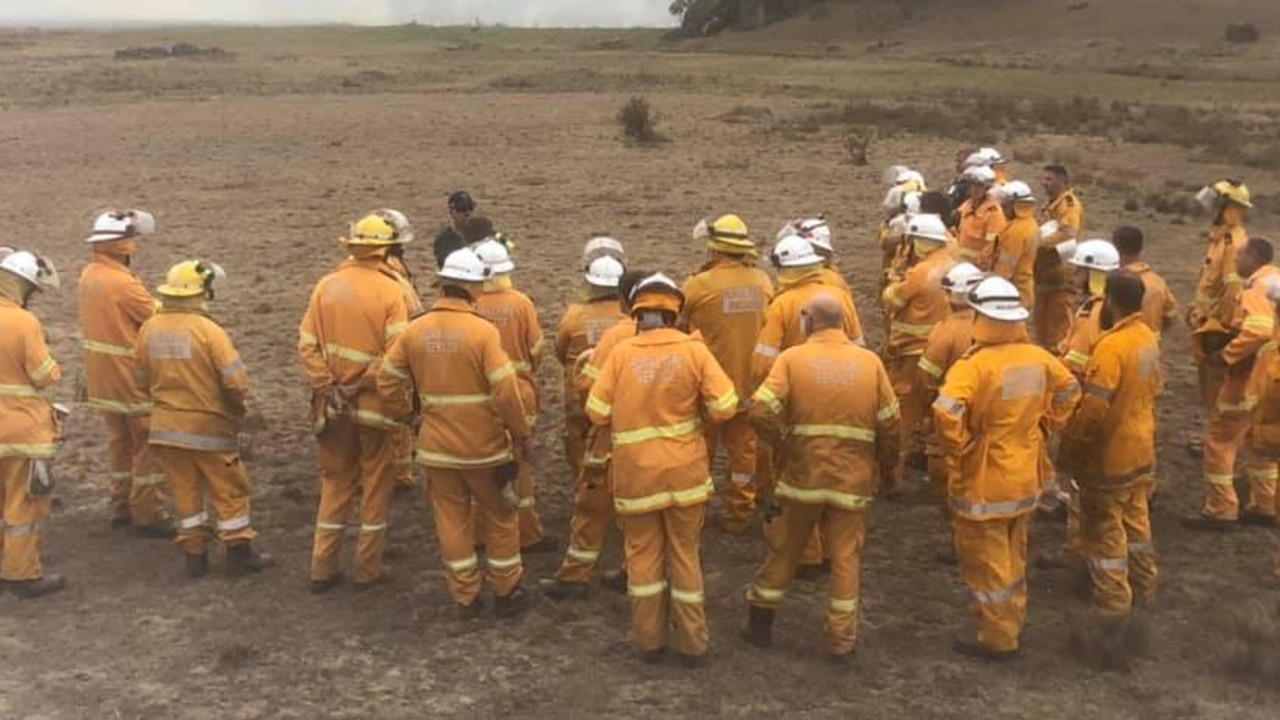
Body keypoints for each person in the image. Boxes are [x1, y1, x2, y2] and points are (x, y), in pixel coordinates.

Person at [585, 273, 738, 665]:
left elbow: (596, 412)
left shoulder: (621, 353)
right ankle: (693, 643)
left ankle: (649, 641)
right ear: (674, 313)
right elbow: (725, 406)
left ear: (636, 312)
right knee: (685, 555)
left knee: (642, 558)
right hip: (685, 475)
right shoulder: (695, 351)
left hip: (636, 478)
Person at [742, 294, 900, 663]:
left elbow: (761, 409)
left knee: (785, 549)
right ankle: (842, 641)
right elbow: (891, 423)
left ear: (808, 321)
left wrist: (781, 442)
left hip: (803, 476)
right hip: (853, 479)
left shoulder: (792, 359)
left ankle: (760, 623)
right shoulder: (870, 363)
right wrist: (888, 467)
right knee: (846, 559)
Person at [378, 248, 534, 618]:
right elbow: (506, 391)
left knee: (451, 522)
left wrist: (407, 416)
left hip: (435, 448)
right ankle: (506, 590)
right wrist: (521, 433)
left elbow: (386, 379)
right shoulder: (482, 332)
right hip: (484, 448)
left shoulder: (416, 329)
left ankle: (465, 596)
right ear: (470, 287)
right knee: (499, 516)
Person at [934, 276, 1079, 661]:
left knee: (987, 560)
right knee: (1014, 553)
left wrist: (962, 446)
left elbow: (945, 411)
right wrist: (1048, 424)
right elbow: (1069, 390)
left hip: (985, 479)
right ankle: (1008, 618)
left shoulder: (975, 365)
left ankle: (998, 637)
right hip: (1026, 473)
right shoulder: (1039, 357)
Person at [137, 260, 272, 578]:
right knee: (229, 489)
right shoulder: (209, 331)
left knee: (184, 493)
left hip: (166, 429)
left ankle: (194, 557)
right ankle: (238, 552)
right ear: (202, 292)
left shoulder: (149, 329)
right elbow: (236, 382)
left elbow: (141, 378)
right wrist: (242, 412)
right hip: (209, 428)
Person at [298, 213, 411, 592]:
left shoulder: (325, 286)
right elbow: (398, 353)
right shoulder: (393, 291)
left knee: (335, 485)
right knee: (376, 487)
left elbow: (307, 345)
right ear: (384, 250)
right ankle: (367, 569)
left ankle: (321, 568)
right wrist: (360, 383)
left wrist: (330, 385)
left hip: (331, 408)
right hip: (374, 408)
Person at [1058, 272, 1160, 670]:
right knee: (1137, 521)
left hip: (1109, 456)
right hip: (1141, 450)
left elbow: (1094, 410)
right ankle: (1145, 585)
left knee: (1105, 531)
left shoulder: (1111, 348)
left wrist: (1070, 448)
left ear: (1112, 301)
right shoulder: (1148, 338)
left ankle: (1113, 606)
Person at [754, 235, 864, 575]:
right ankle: (833, 549)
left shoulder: (782, 305)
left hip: (796, 401)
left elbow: (763, 361)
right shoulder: (839, 297)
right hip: (842, 398)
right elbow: (861, 346)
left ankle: (809, 554)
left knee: (798, 479)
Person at [542, 270, 648, 600]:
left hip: (611, 438)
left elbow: (588, 386)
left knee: (590, 508)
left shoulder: (616, 336)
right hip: (652, 440)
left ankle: (575, 575)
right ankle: (635, 571)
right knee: (640, 513)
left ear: (623, 299)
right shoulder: (677, 335)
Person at [78, 209, 172, 536]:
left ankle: (120, 507)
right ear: (122, 245)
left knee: (118, 442)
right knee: (146, 442)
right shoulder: (122, 283)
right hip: (129, 376)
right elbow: (157, 316)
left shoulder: (89, 274)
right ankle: (148, 513)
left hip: (100, 377)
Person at [681, 214, 775, 534]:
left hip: (707, 390)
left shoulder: (697, 285)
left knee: (699, 454)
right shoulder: (763, 281)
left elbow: (678, 328)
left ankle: (696, 512)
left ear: (715, 250)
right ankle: (739, 513)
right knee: (743, 456)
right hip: (750, 386)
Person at [1185, 236, 1279, 531]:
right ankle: (1265, 505)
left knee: (1220, 440)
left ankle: (1221, 508)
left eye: (1241, 255)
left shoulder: (1256, 288)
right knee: (1257, 442)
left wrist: (1225, 356)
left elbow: (1259, 331)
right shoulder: (1274, 281)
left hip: (1250, 380)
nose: (1236, 260)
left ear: (1254, 256)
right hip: (1270, 381)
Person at [472, 238, 557, 554]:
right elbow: (536, 350)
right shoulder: (521, 303)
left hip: (478, 398)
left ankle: (479, 533)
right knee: (520, 465)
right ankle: (528, 533)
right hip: (519, 393)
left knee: (482, 465)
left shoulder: (471, 304)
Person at [0, 250, 65, 598]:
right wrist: (55, 366)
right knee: (24, 505)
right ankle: (22, 574)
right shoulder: (24, 323)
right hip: (21, 430)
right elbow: (43, 375)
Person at [882, 214, 953, 489]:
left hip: (911, 353)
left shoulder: (921, 272)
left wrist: (894, 277)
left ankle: (892, 475)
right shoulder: (953, 265)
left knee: (903, 415)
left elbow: (892, 299)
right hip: (941, 352)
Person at [918, 262, 986, 555]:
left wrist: (927, 413)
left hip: (952, 420)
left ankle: (961, 540)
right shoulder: (997, 327)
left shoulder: (946, 331)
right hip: (987, 422)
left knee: (948, 480)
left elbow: (926, 378)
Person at [554, 255, 628, 484]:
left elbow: (561, 350)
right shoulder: (628, 316)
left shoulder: (574, 315)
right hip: (619, 393)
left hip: (579, 393)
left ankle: (583, 483)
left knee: (577, 439)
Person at [1188, 180, 1252, 413]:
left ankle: (1216, 435)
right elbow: (1209, 283)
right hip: (1205, 321)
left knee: (1217, 388)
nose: (1211, 209)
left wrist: (1219, 326)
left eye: (1216, 204)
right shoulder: (1220, 239)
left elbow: (1233, 290)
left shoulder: (1232, 243)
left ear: (1229, 208)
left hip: (1218, 326)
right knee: (1208, 385)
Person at [375, 209, 425, 493]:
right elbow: (415, 313)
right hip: (393, 352)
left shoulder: (349, 274)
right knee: (398, 411)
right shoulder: (396, 276)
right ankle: (400, 472)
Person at [1035, 165, 1086, 348]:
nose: (1044, 183)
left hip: (1060, 274)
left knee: (1058, 327)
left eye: (1049, 179)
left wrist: (1039, 243)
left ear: (1062, 181)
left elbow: (1068, 235)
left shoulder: (1069, 206)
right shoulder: (1051, 206)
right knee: (1042, 326)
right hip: (1046, 272)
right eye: (1044, 179)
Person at [1113, 226, 1177, 340]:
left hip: (1122, 348)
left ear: (1115, 249)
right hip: (1151, 347)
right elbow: (1171, 315)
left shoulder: (1116, 284)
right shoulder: (1157, 281)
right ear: (1140, 248)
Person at [994, 181, 1039, 307]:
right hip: (1022, 289)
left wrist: (993, 287)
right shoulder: (1029, 223)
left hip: (1013, 293)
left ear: (1017, 205)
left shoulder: (1016, 230)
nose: (1002, 206)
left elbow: (1005, 268)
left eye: (1006, 204)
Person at [954, 166, 1007, 272]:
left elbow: (992, 246)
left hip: (979, 268)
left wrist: (980, 264)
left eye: (980, 186)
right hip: (961, 265)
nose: (975, 189)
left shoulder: (993, 213)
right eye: (973, 185)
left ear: (987, 188)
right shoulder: (966, 207)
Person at [432, 190, 477, 269]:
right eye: (462, 209)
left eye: (470, 208)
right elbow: (447, 267)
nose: (467, 213)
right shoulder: (443, 240)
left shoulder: (480, 234)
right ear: (451, 211)